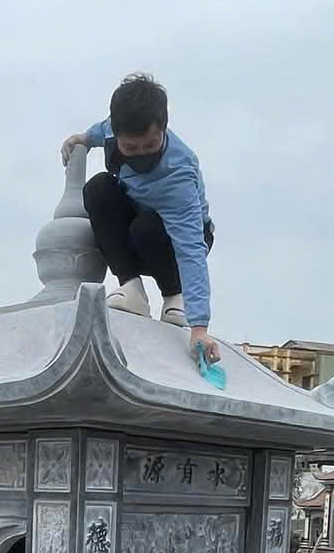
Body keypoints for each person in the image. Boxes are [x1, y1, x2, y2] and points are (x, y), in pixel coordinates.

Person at [61, 73, 221, 366]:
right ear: (118, 135)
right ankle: (131, 287)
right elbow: (100, 131)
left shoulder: (180, 176)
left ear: (163, 129)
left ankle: (173, 295)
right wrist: (82, 139)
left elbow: (191, 250)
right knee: (99, 188)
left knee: (146, 226)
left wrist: (199, 327)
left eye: (150, 145)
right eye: (131, 148)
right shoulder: (112, 131)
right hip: (135, 227)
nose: (141, 154)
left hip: (173, 241)